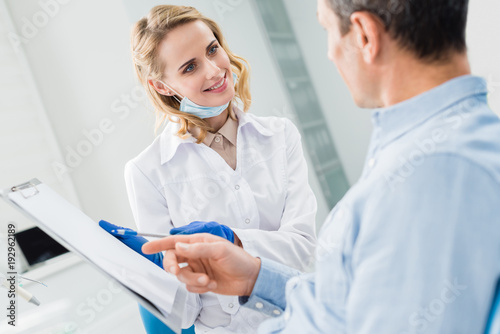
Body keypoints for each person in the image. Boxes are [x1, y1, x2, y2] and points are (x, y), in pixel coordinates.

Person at [142, 0, 500, 332]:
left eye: (328, 29)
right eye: (190, 66)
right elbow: (352, 300)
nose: (329, 53)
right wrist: (255, 276)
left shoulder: (436, 170)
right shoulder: (430, 151)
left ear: (363, 34)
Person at [101, 4, 317, 334]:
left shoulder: (280, 136)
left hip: (304, 321)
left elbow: (302, 249)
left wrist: (234, 242)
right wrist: (151, 277)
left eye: (213, 49)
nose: (215, 70)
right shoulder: (147, 173)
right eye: (190, 67)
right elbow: (185, 314)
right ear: (162, 86)